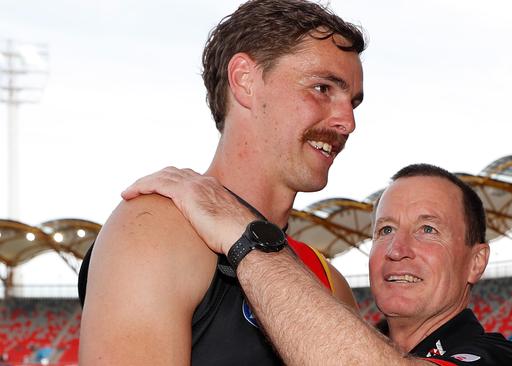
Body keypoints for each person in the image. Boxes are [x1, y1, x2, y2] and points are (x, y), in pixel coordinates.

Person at [78, 0, 365, 364]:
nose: (347, 121)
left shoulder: (325, 279)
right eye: (323, 88)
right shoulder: (154, 228)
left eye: (353, 102)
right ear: (245, 80)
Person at [121, 164, 512, 366]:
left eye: (429, 230)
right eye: (384, 230)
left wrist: (242, 236)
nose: (398, 249)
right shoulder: (353, 333)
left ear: (475, 262)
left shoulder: (505, 359)